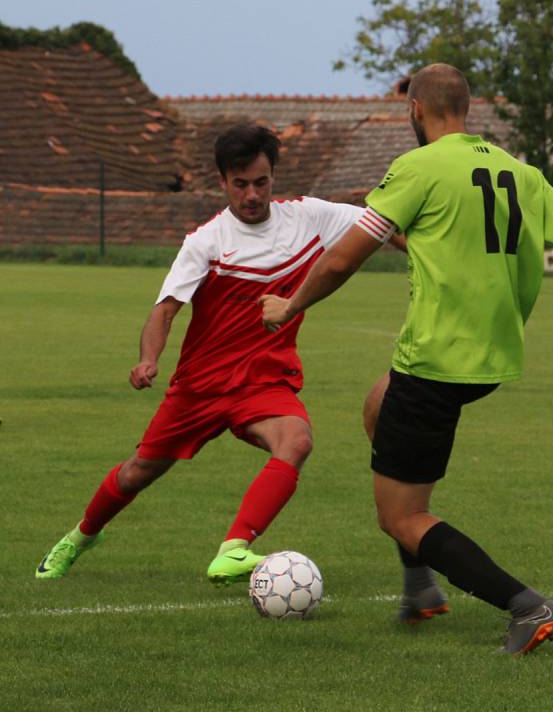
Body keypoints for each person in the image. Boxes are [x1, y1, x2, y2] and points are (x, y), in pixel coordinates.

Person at [260, 63, 553, 655]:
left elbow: (344, 258)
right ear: (469, 109)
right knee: (378, 406)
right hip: (490, 358)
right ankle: (421, 587)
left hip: (434, 363)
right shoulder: (519, 172)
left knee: (400, 516)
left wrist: (289, 307)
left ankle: (526, 606)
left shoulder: (417, 168)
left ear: (416, 111)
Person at [36, 123, 374, 586]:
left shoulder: (309, 217)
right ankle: (79, 537)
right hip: (200, 388)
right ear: (222, 182)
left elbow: (379, 220)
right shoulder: (206, 241)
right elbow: (166, 310)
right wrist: (148, 359)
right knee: (138, 473)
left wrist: (418, 249)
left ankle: (234, 548)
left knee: (296, 441)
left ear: (273, 176)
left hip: (263, 384)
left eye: (261, 182)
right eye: (241, 184)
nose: (252, 194)